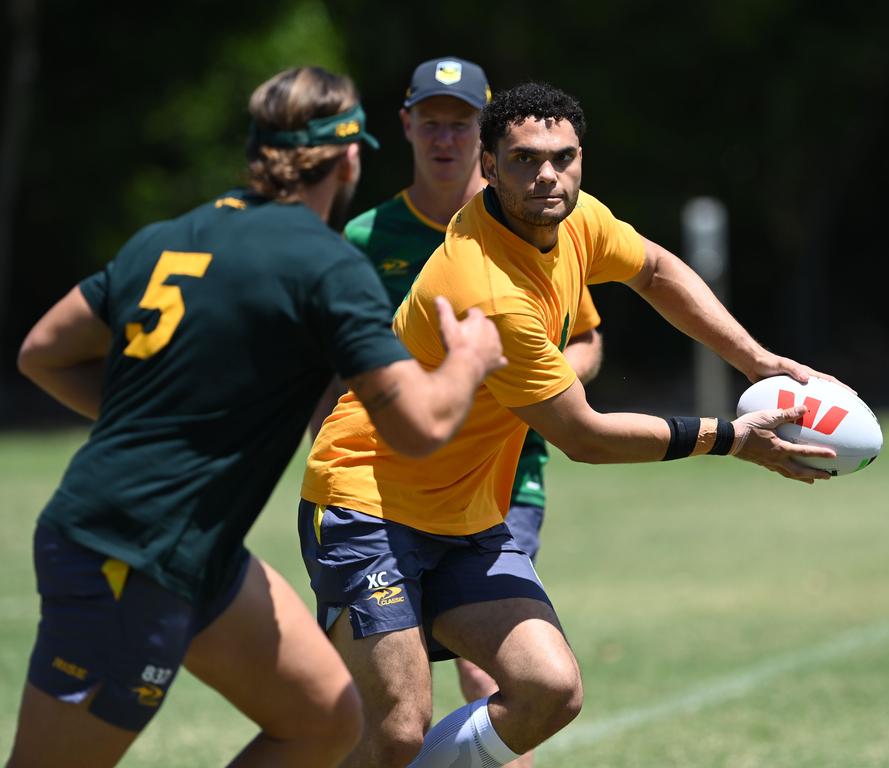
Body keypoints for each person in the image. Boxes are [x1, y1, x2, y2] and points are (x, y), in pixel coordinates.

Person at [299, 81, 838, 768]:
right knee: (399, 728)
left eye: (563, 157)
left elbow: (657, 270)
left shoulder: (577, 219)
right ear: (488, 168)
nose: (547, 175)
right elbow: (583, 437)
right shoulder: (485, 285)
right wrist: (729, 438)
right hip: (366, 503)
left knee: (549, 689)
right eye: (524, 160)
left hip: (465, 515)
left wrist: (758, 362)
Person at [7, 66, 505, 768]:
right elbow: (419, 427)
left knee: (326, 721)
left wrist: (161, 423)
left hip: (199, 549)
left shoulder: (171, 236)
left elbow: (43, 352)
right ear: (349, 155)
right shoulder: (326, 266)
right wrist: (472, 357)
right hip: (127, 549)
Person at [340, 56, 601, 768]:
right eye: (433, 122)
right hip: (390, 486)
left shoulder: (536, 214)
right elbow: (341, 370)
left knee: (502, 676)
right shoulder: (366, 240)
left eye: (460, 122)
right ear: (408, 126)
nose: (445, 138)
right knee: (396, 709)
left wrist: (537, 385)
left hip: (507, 476)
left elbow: (585, 341)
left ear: (482, 136)